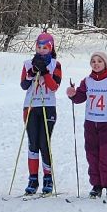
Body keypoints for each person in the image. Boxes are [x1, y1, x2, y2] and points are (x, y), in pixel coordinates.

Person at [67, 51, 107, 199]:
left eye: (99, 61)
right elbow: (80, 97)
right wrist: (72, 94)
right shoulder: (87, 81)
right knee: (92, 155)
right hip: (90, 123)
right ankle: (96, 185)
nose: (96, 64)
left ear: (105, 64)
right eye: (93, 61)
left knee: (106, 155)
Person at [19, 31, 63, 196]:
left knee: (44, 143)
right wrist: (32, 73)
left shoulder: (55, 65)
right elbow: (23, 85)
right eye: (39, 46)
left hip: (48, 106)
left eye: (45, 47)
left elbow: (54, 87)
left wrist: (44, 71)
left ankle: (47, 177)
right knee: (33, 143)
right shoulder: (27, 63)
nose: (42, 49)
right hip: (30, 106)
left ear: (51, 48)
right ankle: (32, 179)